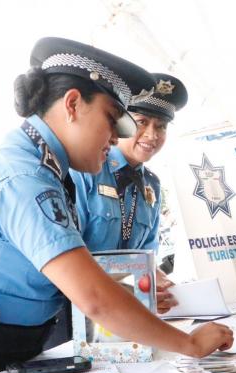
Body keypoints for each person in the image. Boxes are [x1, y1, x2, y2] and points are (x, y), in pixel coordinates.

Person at [0, 37, 233, 373]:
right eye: (112, 120)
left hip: (14, 350)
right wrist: (187, 343)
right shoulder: (23, 178)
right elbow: (94, 296)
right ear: (73, 104)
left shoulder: (47, 169)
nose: (115, 138)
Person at [70, 73, 188, 315]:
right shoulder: (86, 170)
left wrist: (160, 283)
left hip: (123, 313)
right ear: (120, 123)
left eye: (161, 126)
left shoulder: (151, 186)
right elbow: (70, 257)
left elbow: (146, 256)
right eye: (142, 122)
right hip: (75, 309)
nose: (152, 135)